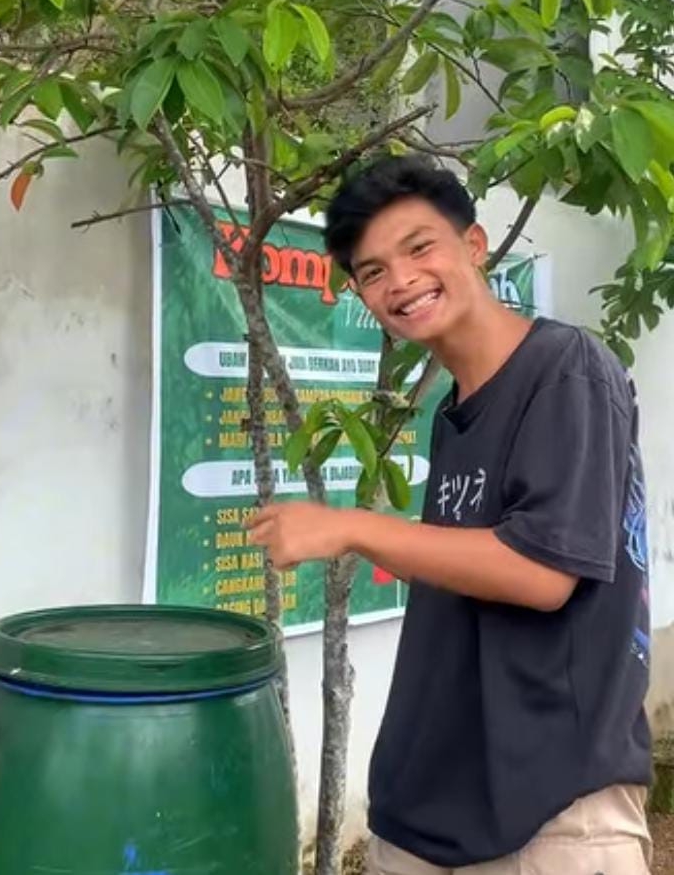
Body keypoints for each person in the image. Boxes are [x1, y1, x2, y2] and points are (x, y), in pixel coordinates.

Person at [247, 155, 652, 874]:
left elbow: (542, 573)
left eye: (418, 247)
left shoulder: (567, 369)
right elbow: (471, 574)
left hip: (550, 815)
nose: (400, 281)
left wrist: (352, 526)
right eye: (373, 271)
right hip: (429, 809)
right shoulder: (454, 411)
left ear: (473, 245)